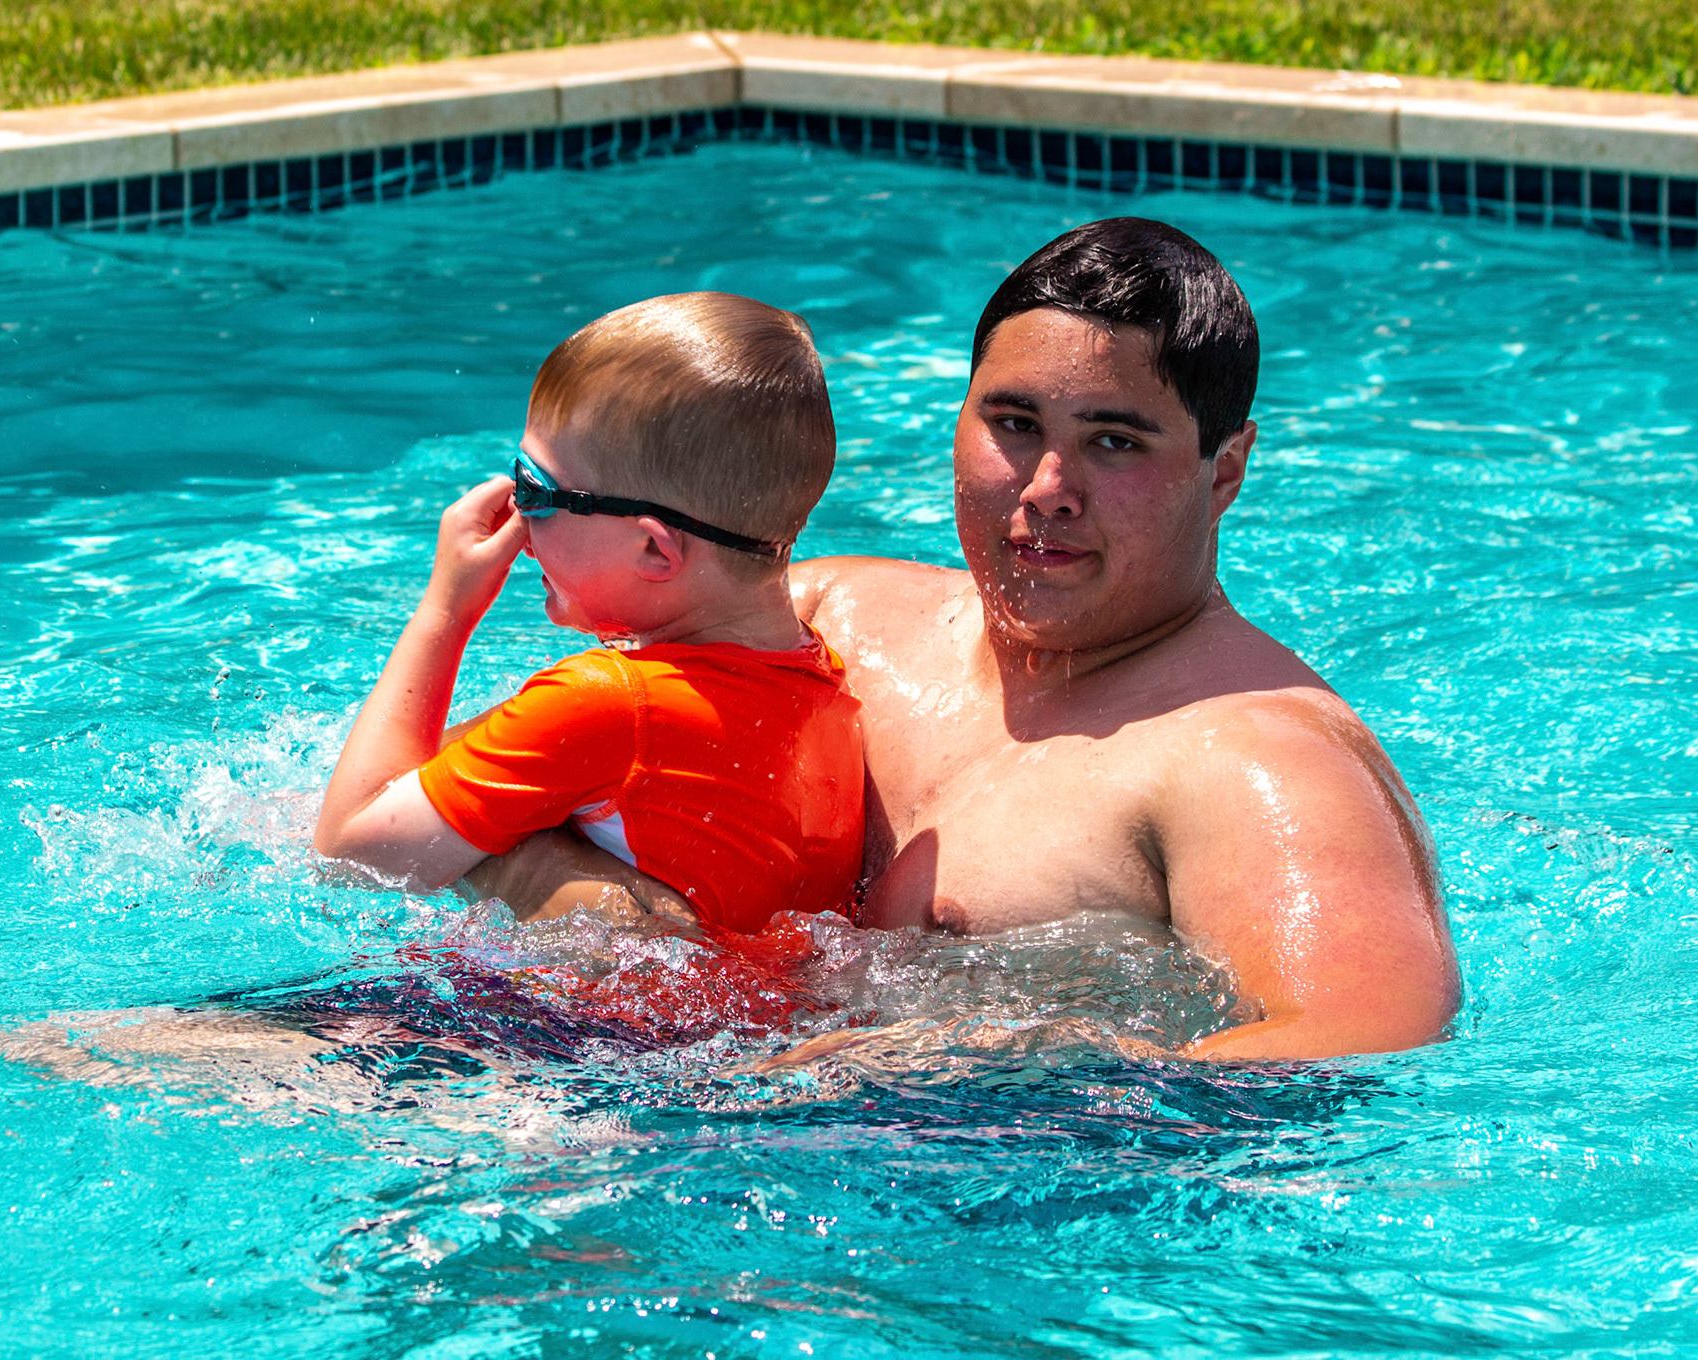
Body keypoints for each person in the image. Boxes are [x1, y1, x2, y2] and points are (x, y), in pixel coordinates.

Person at [471, 219, 1462, 1062]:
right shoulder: (820, 619)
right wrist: (593, 907)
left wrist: (1002, 1060)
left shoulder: (1261, 761)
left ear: (1227, 469)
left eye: (1115, 442)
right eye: (1015, 423)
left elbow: (1367, 1034)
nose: (1049, 489)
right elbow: (468, 795)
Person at [312, 292, 865, 933]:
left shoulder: (606, 703)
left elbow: (349, 855)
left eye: (534, 490)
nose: (515, 517)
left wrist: (446, 610)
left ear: (653, 549)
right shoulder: (818, 680)